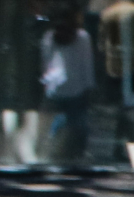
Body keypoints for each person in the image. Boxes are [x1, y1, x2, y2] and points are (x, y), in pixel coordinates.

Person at [40, 11, 96, 166]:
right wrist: (89, 86)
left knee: (67, 123)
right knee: (75, 124)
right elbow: (87, 64)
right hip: (71, 88)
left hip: (61, 88)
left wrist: (46, 84)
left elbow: (46, 63)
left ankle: (61, 152)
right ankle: (71, 154)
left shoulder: (51, 37)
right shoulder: (80, 38)